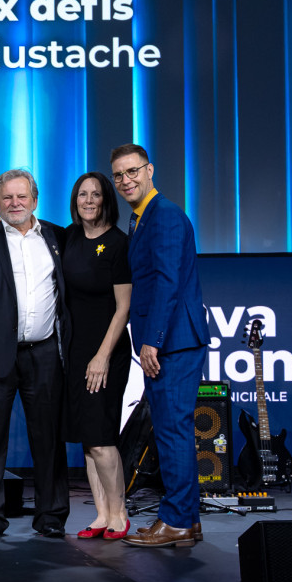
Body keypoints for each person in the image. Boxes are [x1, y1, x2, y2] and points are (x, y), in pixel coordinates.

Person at [0, 169, 70, 540]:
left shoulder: (58, 237)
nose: (15, 203)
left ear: (35, 200)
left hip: (46, 353)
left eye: (22, 196)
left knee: (48, 439)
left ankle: (51, 515)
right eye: (7, 197)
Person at [110, 144, 209, 549]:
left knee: (172, 432)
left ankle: (177, 521)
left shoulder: (164, 214)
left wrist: (153, 340)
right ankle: (186, 520)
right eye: (118, 175)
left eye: (132, 171)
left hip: (173, 342)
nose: (125, 180)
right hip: (169, 340)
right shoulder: (141, 218)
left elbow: (168, 281)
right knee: (170, 430)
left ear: (149, 170)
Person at [61, 172, 132, 541]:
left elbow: (123, 309)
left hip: (106, 352)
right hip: (75, 353)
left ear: (107, 200)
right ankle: (102, 514)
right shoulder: (69, 237)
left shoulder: (119, 244)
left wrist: (102, 356)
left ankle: (120, 514)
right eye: (82, 194)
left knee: (102, 437)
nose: (88, 201)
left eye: (96, 194)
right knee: (88, 440)